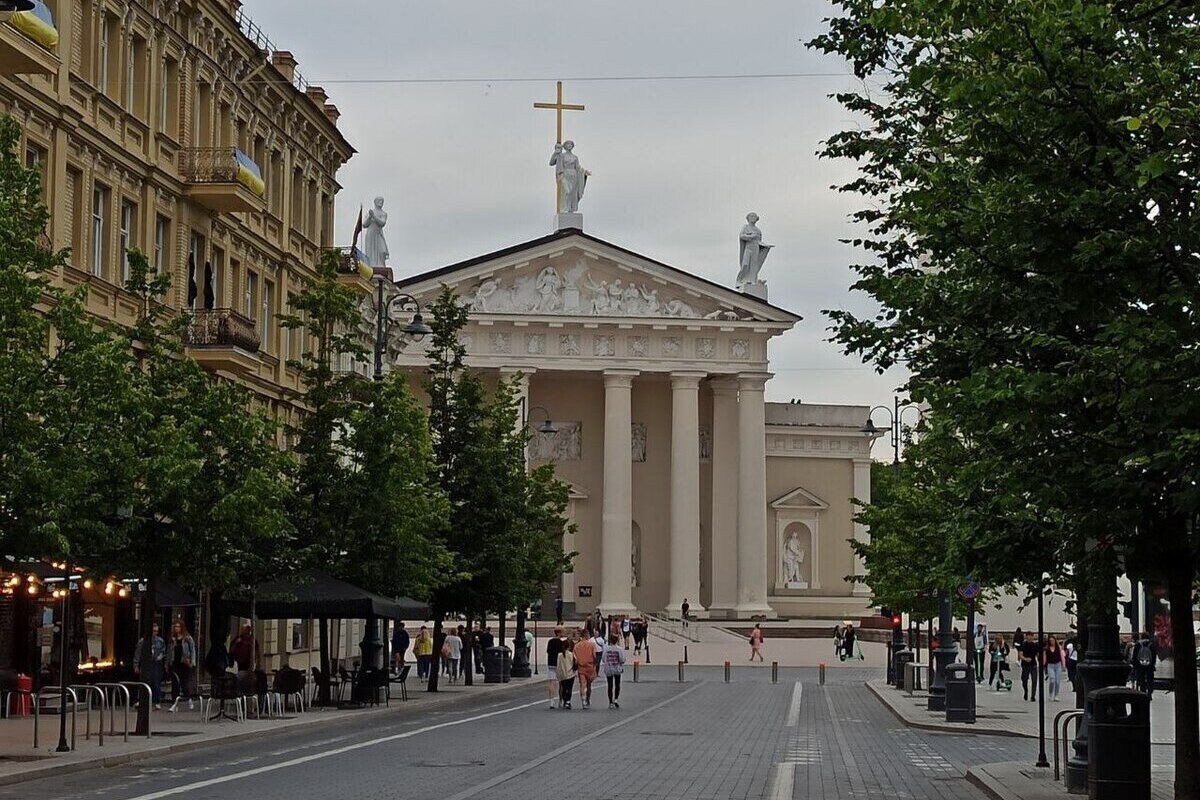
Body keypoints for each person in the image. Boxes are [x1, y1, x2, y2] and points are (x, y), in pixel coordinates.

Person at [133, 622, 166, 710]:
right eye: (153, 631)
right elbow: (138, 654)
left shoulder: (160, 641)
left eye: (156, 631)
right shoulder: (142, 641)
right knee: (144, 682)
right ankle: (142, 699)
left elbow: (163, 651)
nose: (155, 633)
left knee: (156, 682)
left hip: (156, 664)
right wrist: (136, 665)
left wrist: (160, 657)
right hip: (145, 663)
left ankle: (156, 701)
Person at [167, 619, 197, 712]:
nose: (176, 629)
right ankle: (174, 704)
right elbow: (169, 652)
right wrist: (167, 663)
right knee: (175, 684)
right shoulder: (172, 639)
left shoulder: (187, 638)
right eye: (175, 627)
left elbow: (192, 650)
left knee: (184, 683)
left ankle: (189, 699)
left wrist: (192, 662)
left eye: (178, 627)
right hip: (174, 663)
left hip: (184, 663)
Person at [573, 630, 597, 709]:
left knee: (582, 685)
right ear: (587, 635)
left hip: (581, 667)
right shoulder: (592, 645)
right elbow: (594, 656)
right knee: (589, 685)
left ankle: (583, 701)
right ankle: (588, 699)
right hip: (590, 666)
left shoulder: (576, 646)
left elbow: (575, 658)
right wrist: (595, 665)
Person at [603, 634, 626, 708]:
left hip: (609, 668)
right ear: (617, 641)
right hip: (617, 668)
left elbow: (604, 659)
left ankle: (610, 702)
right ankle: (616, 699)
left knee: (610, 685)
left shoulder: (606, 649)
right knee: (617, 684)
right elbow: (622, 659)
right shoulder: (619, 649)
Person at [547, 627, 566, 709]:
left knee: (551, 682)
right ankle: (561, 701)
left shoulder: (550, 641)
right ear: (559, 633)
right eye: (563, 632)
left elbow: (548, 651)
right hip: (559, 664)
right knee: (561, 683)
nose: (564, 633)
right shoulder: (561, 643)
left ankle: (552, 701)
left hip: (551, 663)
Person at [1133, 631, 1157, 697]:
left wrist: (1135, 665)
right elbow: (1154, 655)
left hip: (1140, 664)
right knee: (1150, 678)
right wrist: (1153, 664)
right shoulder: (1151, 644)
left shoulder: (1138, 644)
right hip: (1149, 664)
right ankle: (1149, 692)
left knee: (1141, 678)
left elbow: (1135, 655)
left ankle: (1142, 692)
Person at [556, 635, 577, 709]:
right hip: (570, 674)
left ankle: (565, 701)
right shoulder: (571, 655)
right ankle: (568, 701)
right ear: (569, 647)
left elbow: (558, 665)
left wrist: (558, 673)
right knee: (569, 688)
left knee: (564, 688)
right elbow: (575, 663)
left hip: (563, 674)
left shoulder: (559, 655)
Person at [1018, 633, 1040, 701]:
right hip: (1025, 665)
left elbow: (1038, 654)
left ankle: (1033, 696)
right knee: (1024, 679)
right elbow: (1020, 655)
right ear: (1026, 637)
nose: (1030, 639)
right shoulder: (1023, 644)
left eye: (1031, 638)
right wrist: (1025, 659)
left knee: (1034, 680)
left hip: (1033, 665)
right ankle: (1026, 691)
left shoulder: (1035, 645)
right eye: (1028, 638)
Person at [1044, 635, 1064, 702]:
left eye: (1053, 640)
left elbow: (1062, 657)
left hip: (1058, 665)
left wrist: (1063, 665)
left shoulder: (1059, 648)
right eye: (1050, 641)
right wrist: (1043, 665)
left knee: (1057, 681)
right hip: (1050, 665)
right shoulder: (1047, 649)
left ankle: (1056, 695)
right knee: (1052, 680)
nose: (1052, 642)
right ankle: (1050, 694)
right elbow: (1045, 659)